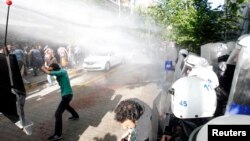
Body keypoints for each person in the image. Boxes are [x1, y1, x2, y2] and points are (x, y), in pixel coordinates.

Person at [41, 63, 79, 141]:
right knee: (67, 106)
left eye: (51, 67)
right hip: (67, 94)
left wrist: (43, 68)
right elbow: (50, 70)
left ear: (54, 68)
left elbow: (49, 72)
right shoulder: (61, 70)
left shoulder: (61, 72)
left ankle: (58, 135)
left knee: (58, 114)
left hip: (67, 95)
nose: (50, 68)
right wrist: (47, 68)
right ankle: (75, 115)